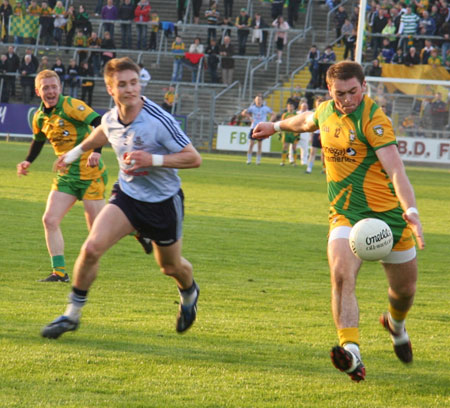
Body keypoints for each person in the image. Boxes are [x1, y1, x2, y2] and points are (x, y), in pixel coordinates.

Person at [252, 61, 425, 382]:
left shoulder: (374, 121)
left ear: (364, 88)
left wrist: (411, 212)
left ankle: (396, 325)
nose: (347, 99)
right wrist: (275, 127)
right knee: (342, 276)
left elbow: (396, 170)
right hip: (345, 214)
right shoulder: (326, 111)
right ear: (330, 92)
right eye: (340, 93)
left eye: (353, 92)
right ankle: (352, 352)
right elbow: (306, 120)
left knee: (404, 291)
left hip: (389, 219)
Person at [40, 57, 202, 339]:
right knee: (91, 249)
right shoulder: (111, 118)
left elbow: (193, 158)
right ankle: (72, 315)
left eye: (134, 83)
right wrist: (73, 154)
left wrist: (152, 159)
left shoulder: (158, 121)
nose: (130, 90)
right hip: (127, 197)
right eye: (122, 85)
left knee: (170, 267)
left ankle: (189, 293)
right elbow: (100, 134)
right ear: (111, 89)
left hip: (163, 203)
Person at [16, 69, 107, 282]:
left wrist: (96, 151)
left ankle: (136, 229)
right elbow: (38, 141)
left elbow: (99, 123)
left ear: (60, 88)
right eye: (45, 88)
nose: (50, 91)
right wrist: (28, 161)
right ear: (38, 91)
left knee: (100, 230)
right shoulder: (39, 117)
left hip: (90, 173)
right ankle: (59, 272)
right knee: (49, 219)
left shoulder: (71, 105)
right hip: (66, 175)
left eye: (54, 87)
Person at [242, 95, 276, 165]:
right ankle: (249, 159)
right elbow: (243, 113)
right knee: (251, 144)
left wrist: (269, 122)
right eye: (257, 99)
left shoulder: (265, 108)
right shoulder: (252, 108)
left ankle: (258, 160)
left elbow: (274, 114)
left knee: (259, 145)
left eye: (260, 99)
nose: (258, 101)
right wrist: (249, 117)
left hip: (261, 127)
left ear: (262, 101)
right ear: (255, 100)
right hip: (253, 127)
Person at [279, 100, 299, 166]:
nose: (290, 108)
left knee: (294, 148)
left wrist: (298, 134)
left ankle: (295, 162)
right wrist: (280, 132)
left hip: (294, 133)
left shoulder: (296, 115)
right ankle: (283, 161)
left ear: (294, 107)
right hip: (286, 133)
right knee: (285, 147)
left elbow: (298, 124)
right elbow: (281, 123)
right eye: (289, 106)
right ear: (287, 107)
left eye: (291, 106)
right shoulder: (284, 115)